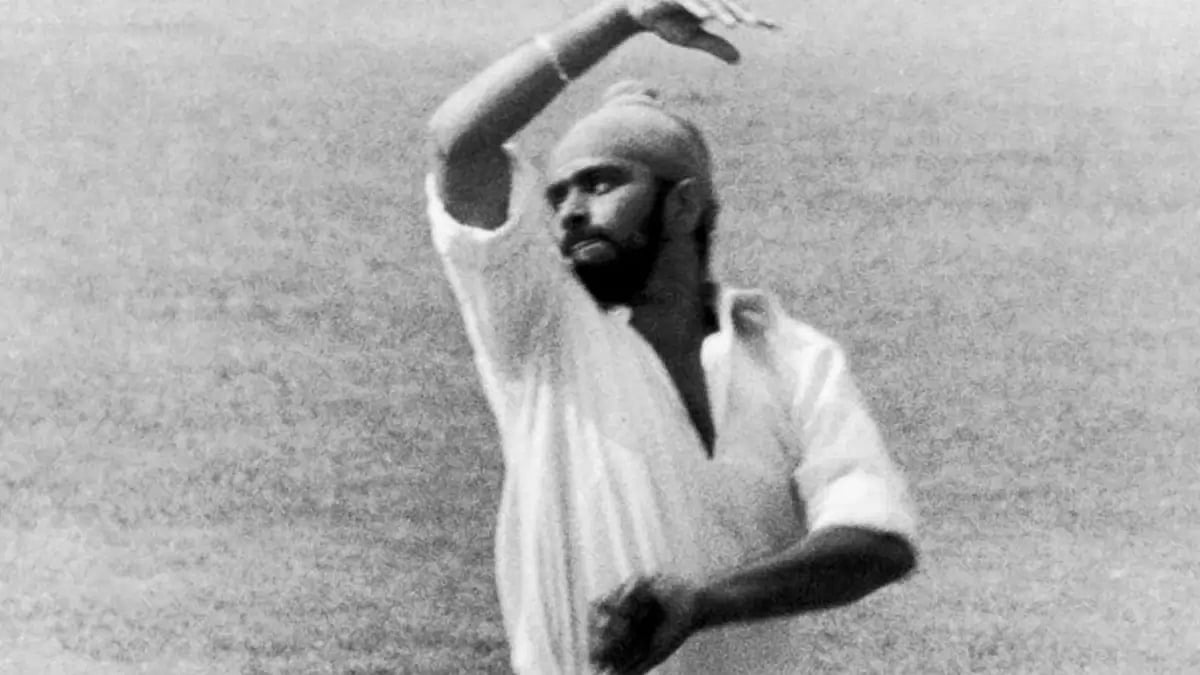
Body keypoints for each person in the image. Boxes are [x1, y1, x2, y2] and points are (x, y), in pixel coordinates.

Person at [424, 1, 920, 672]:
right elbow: (458, 145)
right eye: (559, 195)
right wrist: (620, 18)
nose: (570, 212)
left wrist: (705, 605)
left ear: (683, 203)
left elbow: (877, 541)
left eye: (601, 183)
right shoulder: (540, 327)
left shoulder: (790, 356)